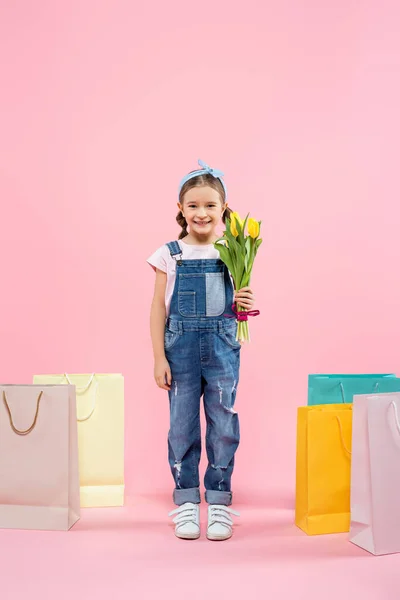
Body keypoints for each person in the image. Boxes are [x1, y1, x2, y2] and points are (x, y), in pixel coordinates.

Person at [147, 159, 255, 541]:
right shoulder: (169, 253)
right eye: (193, 205)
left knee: (224, 421)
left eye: (210, 205)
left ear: (223, 208)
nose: (201, 212)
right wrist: (159, 357)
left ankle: (220, 500)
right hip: (180, 350)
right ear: (181, 209)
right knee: (182, 425)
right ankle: (188, 500)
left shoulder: (234, 249)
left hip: (223, 346)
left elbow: (239, 304)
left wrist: (245, 301)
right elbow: (158, 307)